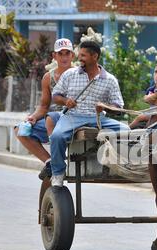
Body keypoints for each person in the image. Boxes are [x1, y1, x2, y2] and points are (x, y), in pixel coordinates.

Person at [50, 40, 129, 187]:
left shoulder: (110, 80)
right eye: (79, 55)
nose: (79, 59)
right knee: (57, 136)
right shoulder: (70, 74)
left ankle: (123, 166)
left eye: (83, 56)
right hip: (72, 116)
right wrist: (66, 101)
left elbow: (118, 106)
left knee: (126, 131)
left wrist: (104, 106)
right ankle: (58, 173)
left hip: (98, 118)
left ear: (95, 57)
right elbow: (55, 96)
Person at [15, 38, 75, 180]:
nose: (64, 57)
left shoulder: (79, 74)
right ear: (54, 56)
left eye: (67, 53)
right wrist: (33, 117)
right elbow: (43, 106)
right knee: (20, 130)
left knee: (52, 119)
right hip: (51, 121)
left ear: (73, 55)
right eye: (61, 54)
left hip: (72, 119)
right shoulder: (48, 77)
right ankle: (50, 162)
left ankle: (58, 162)